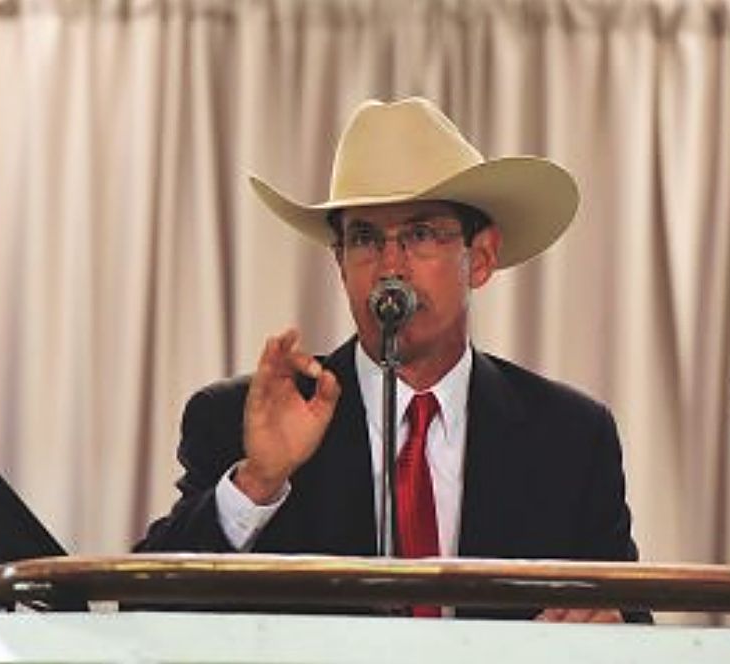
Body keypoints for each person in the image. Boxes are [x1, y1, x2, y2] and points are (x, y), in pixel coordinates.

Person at [136, 97, 644, 622]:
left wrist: (606, 626)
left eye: (420, 235)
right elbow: (144, 607)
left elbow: (632, 621)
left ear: (482, 258)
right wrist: (257, 484)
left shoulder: (571, 436)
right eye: (365, 239)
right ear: (340, 264)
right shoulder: (241, 418)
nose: (390, 267)